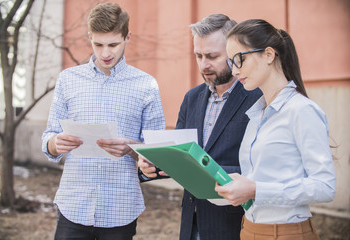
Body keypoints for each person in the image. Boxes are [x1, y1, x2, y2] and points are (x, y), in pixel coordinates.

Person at [41, 3, 165, 240]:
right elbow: (49, 136)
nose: (105, 53)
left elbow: (159, 151)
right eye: (98, 44)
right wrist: (55, 143)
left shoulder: (146, 85)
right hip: (73, 206)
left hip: (120, 209)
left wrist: (132, 149)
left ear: (127, 37)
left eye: (113, 44)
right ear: (89, 37)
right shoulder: (68, 80)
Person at [138, 14, 262, 240]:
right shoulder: (192, 98)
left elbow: (262, 166)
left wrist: (205, 170)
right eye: (198, 55)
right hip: (192, 223)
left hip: (237, 225)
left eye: (212, 56)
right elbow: (179, 153)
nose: (204, 65)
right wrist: (151, 168)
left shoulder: (258, 98)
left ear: (234, 53)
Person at [215, 19, 336, 240]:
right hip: (249, 229)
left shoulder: (301, 110)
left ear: (269, 55)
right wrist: (237, 185)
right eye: (231, 62)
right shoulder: (256, 114)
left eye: (240, 59)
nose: (234, 71)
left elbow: (325, 186)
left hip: (287, 232)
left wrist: (255, 190)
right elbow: (263, 176)